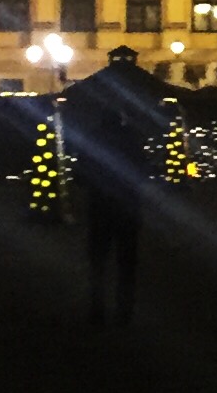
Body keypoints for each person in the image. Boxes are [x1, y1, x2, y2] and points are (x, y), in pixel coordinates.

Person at [62, 46, 162, 327]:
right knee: (127, 261)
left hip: (101, 206)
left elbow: (80, 173)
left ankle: (97, 306)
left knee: (98, 260)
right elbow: (144, 170)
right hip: (128, 206)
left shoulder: (93, 139)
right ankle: (124, 309)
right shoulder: (132, 138)